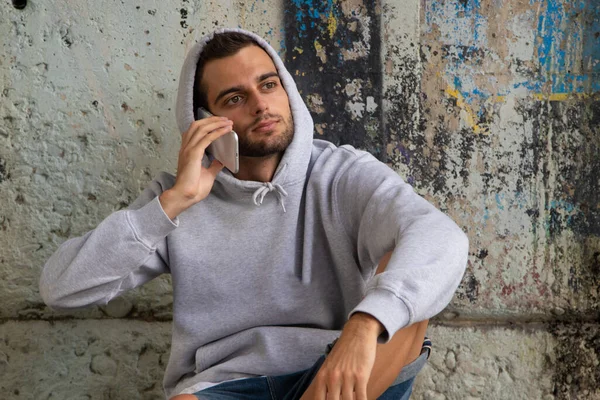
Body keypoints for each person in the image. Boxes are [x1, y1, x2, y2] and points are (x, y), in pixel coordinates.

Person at [39, 28, 469, 400]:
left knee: (408, 278)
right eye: (235, 98)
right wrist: (172, 204)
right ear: (203, 121)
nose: (261, 105)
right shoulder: (175, 199)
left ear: (287, 91)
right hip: (227, 385)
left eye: (268, 85)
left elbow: (441, 236)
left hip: (341, 373)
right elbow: (60, 289)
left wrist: (364, 324)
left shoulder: (341, 174)